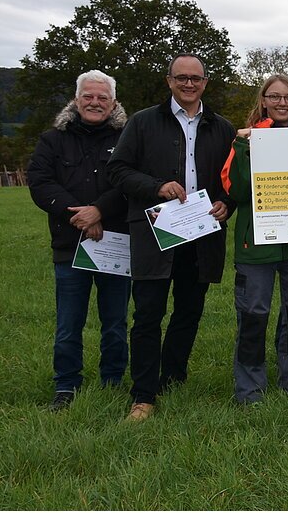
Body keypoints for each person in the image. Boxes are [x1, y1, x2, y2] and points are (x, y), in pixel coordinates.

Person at [108, 54, 236, 421]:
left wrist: (227, 203)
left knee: (189, 312)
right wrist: (156, 186)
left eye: (196, 78)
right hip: (155, 234)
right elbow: (117, 169)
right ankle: (143, 394)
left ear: (205, 82)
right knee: (148, 314)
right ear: (169, 81)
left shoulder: (221, 127)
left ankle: (172, 376)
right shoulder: (143, 122)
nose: (189, 84)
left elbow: (232, 181)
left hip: (202, 233)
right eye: (181, 78)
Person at [28, 70, 130, 411]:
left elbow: (130, 182)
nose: (95, 102)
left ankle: (113, 381)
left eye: (102, 97)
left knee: (115, 322)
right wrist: (81, 219)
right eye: (88, 96)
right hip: (69, 245)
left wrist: (99, 211)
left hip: (115, 243)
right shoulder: (52, 139)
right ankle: (66, 386)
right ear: (76, 99)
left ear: (113, 102)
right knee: (68, 323)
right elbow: (41, 183)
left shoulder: (128, 137)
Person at [221, 74, 288, 404]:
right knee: (253, 316)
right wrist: (243, 147)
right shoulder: (248, 138)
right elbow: (235, 190)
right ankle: (249, 391)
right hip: (257, 246)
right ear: (263, 100)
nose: (282, 103)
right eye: (274, 97)